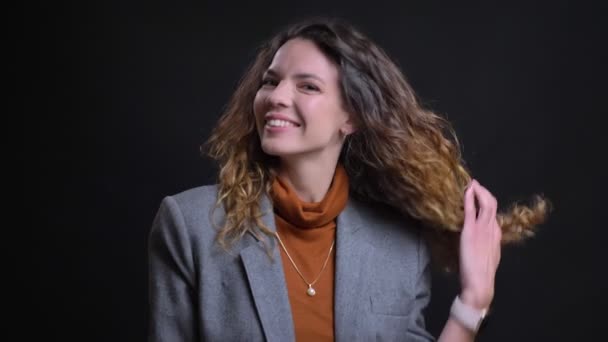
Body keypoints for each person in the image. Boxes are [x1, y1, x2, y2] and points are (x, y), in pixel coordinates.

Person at [148, 17, 548, 341]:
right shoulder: (191, 225)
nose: (276, 96)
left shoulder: (402, 246)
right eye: (270, 81)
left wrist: (472, 302)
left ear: (352, 117)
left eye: (307, 86)